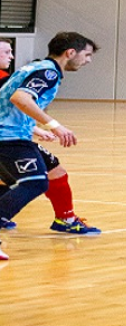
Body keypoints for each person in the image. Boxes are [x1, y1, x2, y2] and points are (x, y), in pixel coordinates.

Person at [0, 32, 99, 259]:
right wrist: (55, 126)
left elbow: (7, 102)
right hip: (9, 137)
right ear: (70, 53)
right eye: (87, 55)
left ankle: (66, 219)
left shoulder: (35, 67)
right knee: (34, 183)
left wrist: (34, 129)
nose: (88, 61)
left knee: (54, 170)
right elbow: (20, 98)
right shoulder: (48, 72)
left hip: (16, 133)